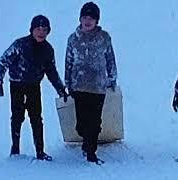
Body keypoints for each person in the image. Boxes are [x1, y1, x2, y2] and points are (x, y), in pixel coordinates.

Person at [0, 15, 68, 161]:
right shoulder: (20, 45)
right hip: (17, 86)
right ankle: (15, 150)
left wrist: (60, 88)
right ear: (32, 30)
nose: (41, 32)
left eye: (44, 29)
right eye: (38, 29)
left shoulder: (47, 49)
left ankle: (40, 152)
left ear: (48, 32)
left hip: (34, 87)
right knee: (17, 117)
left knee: (36, 119)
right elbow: (4, 61)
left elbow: (51, 71)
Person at [64, 2, 117, 164]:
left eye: (91, 18)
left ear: (97, 20)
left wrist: (112, 78)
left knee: (95, 121)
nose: (88, 21)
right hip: (78, 86)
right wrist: (67, 82)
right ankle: (86, 140)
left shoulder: (104, 37)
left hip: (98, 86)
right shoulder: (73, 38)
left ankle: (91, 151)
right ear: (80, 19)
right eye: (85, 17)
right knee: (81, 123)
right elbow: (68, 61)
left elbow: (110, 58)